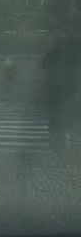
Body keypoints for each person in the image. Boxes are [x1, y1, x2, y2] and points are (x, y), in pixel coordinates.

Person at [41, 20, 81, 156]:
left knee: (57, 116)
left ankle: (57, 143)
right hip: (65, 88)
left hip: (60, 88)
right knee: (62, 116)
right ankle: (61, 143)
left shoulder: (59, 47)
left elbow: (43, 63)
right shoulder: (72, 46)